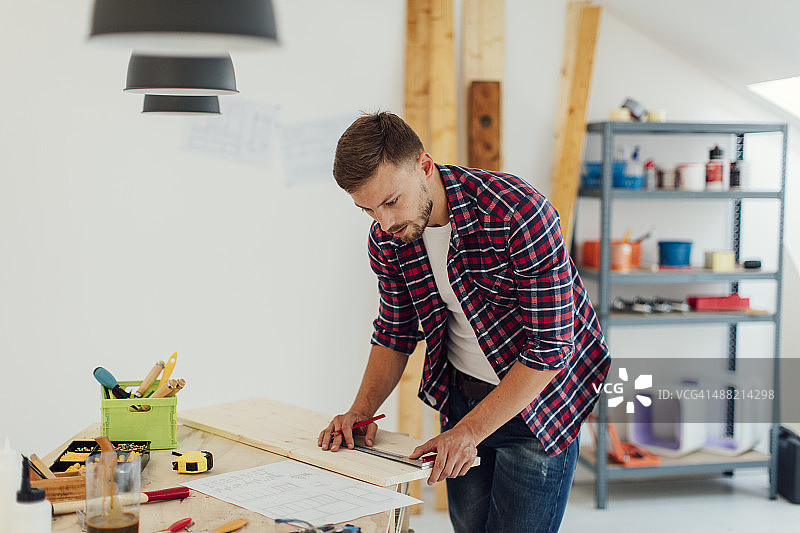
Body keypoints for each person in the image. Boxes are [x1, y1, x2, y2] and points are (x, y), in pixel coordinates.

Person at [318, 111, 610, 533]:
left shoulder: (517, 212)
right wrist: (359, 413)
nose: (384, 223)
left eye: (391, 201)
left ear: (424, 165)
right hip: (462, 398)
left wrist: (469, 432)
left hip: (539, 404)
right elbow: (396, 331)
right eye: (367, 210)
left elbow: (551, 348)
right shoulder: (389, 236)